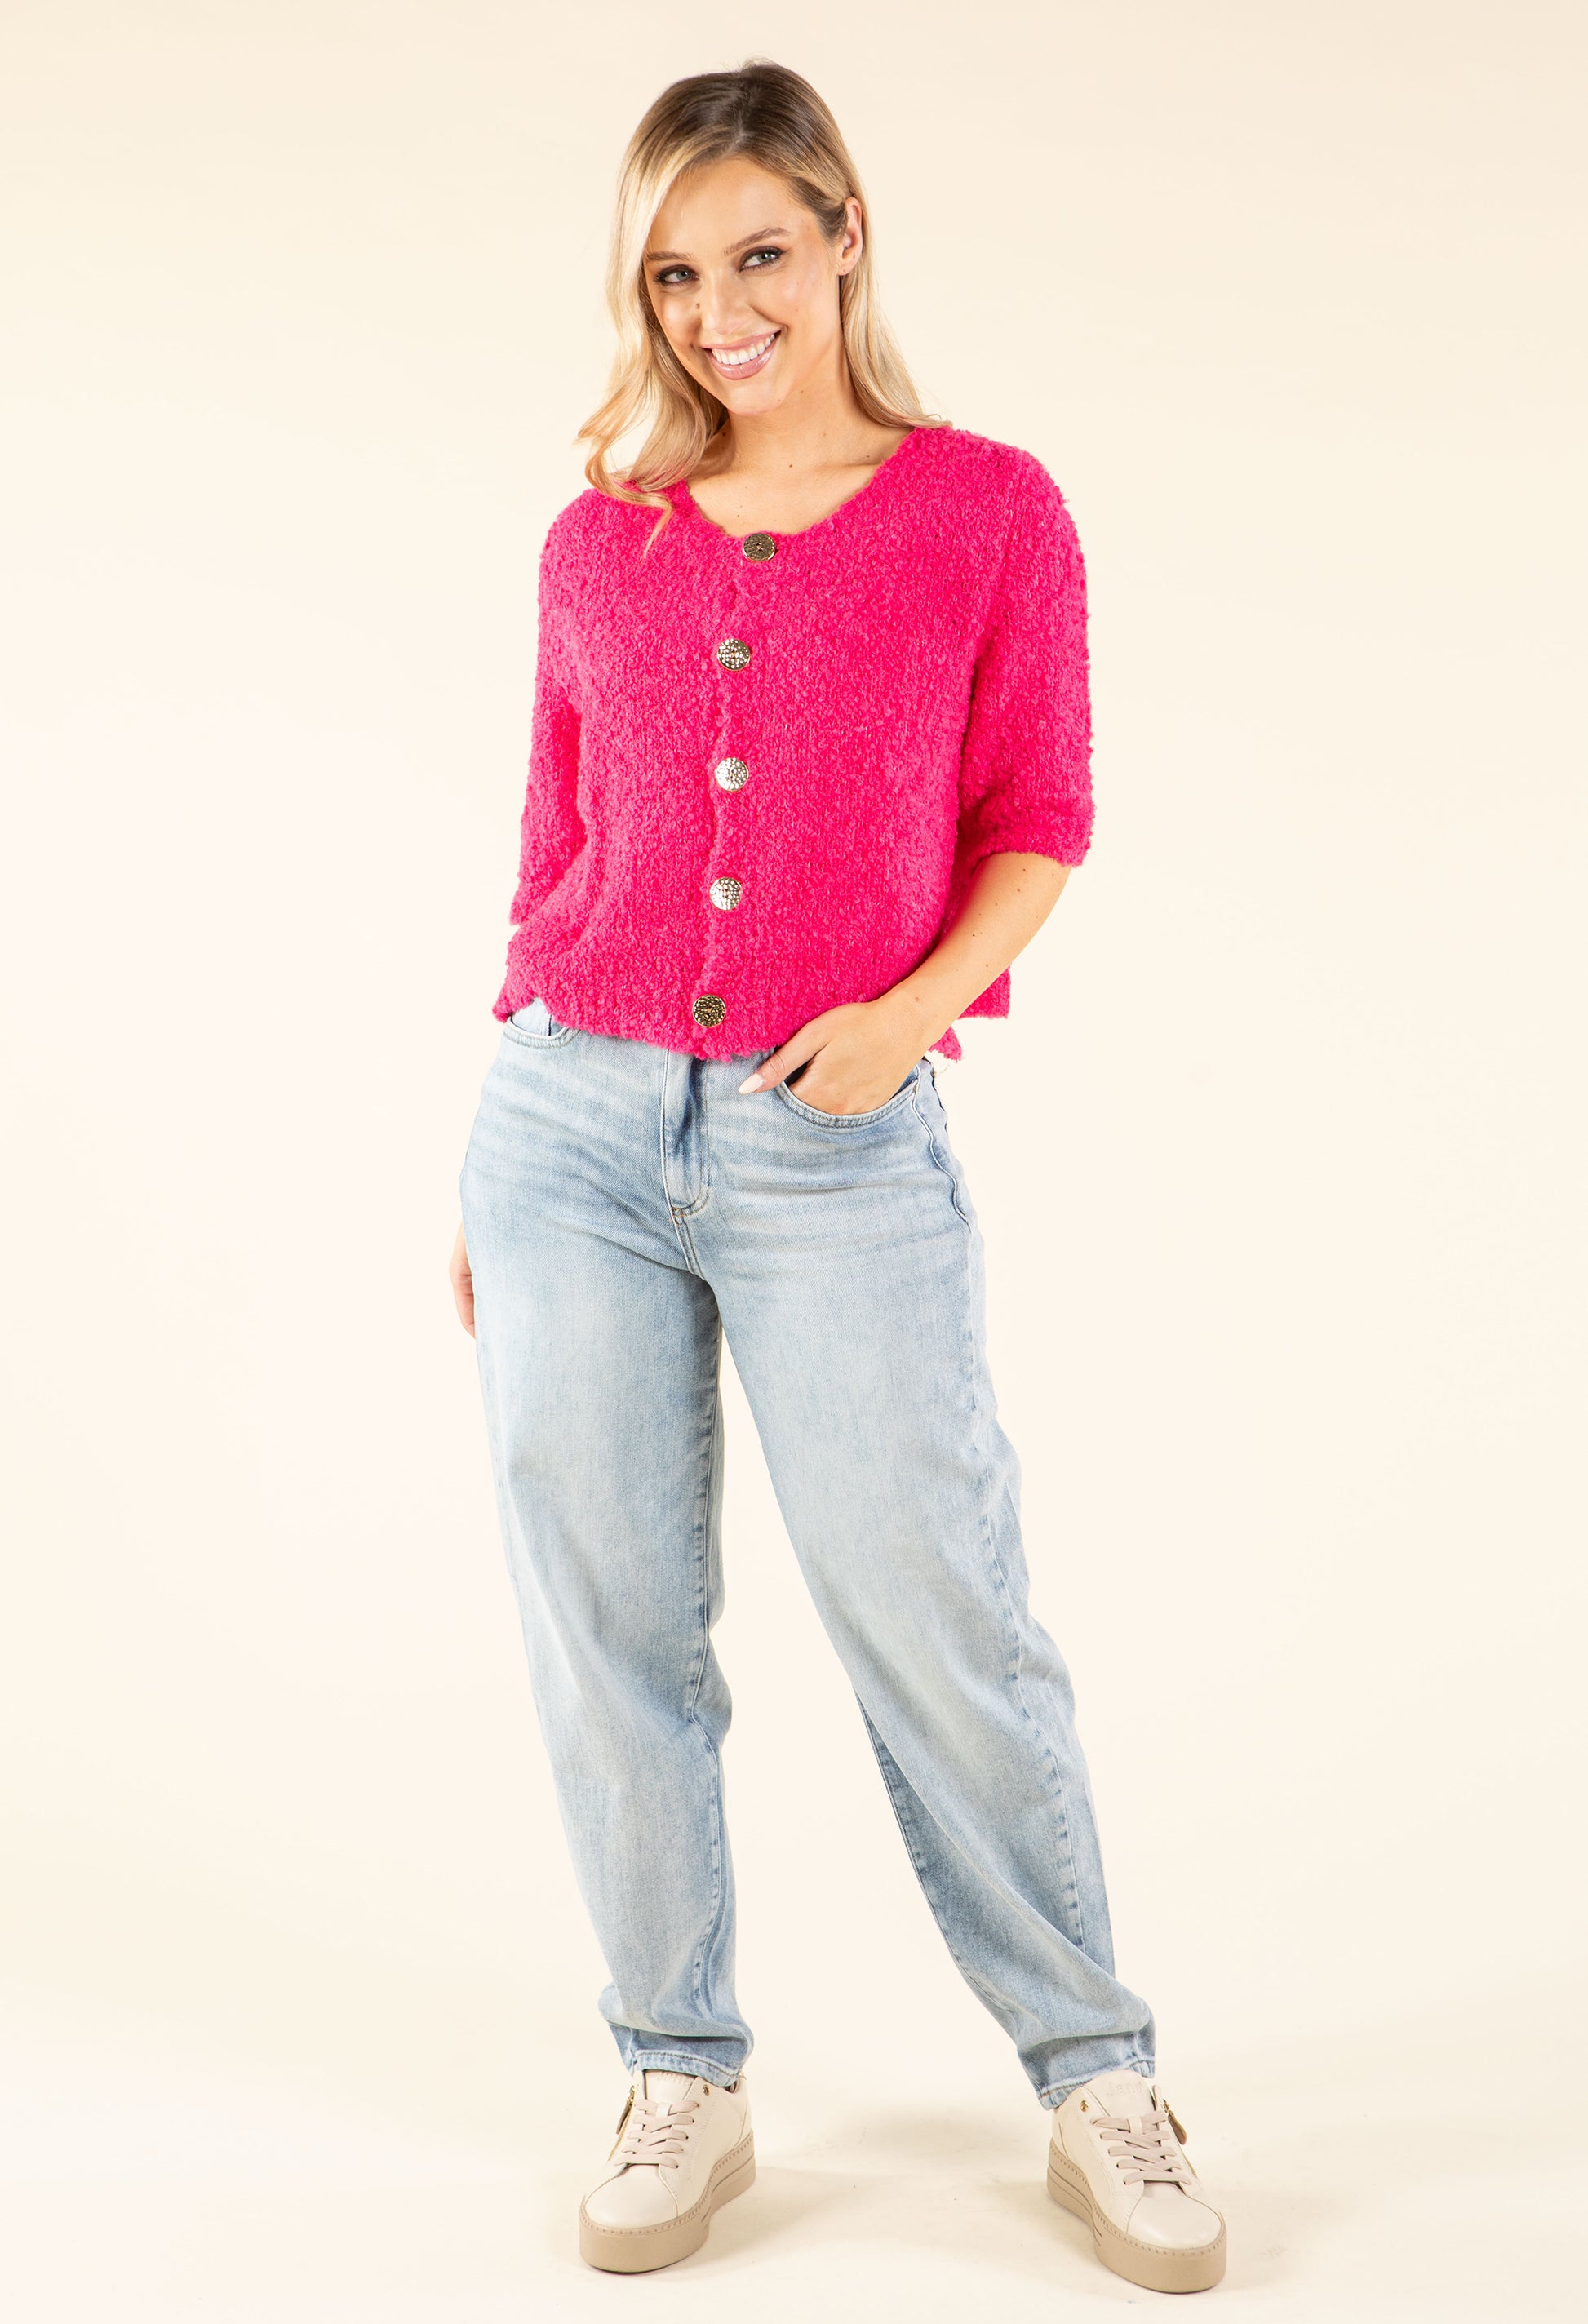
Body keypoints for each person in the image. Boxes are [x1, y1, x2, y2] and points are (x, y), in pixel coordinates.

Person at [450, 58, 1226, 2295]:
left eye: (760, 255)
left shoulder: (986, 510)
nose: (720, 313)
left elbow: (1040, 815)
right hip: (566, 1130)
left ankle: (1094, 2069)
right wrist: (485, 1164)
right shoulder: (597, 538)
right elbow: (556, 857)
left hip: (839, 1139)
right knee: (611, 1621)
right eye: (672, 277)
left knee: (939, 1606)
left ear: (847, 234)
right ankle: (676, 2064)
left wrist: (907, 1017)